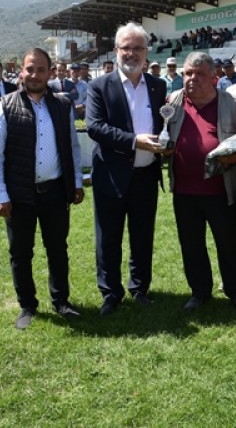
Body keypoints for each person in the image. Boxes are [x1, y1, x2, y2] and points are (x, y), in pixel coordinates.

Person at [0, 47, 84, 330]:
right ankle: (27, 305)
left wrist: (75, 181)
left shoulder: (63, 106)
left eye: (41, 69)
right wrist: (0, 194)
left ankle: (61, 301)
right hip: (19, 194)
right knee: (21, 252)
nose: (35, 75)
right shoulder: (3, 107)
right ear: (20, 71)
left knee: (57, 248)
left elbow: (72, 148)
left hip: (54, 192)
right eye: (30, 69)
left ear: (50, 72)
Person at [86, 23, 167, 316]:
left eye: (137, 48)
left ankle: (139, 288)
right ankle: (110, 292)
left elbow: (164, 125)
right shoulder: (99, 86)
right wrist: (135, 142)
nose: (131, 53)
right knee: (108, 237)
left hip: (146, 176)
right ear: (116, 50)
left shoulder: (158, 86)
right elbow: (95, 127)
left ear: (146, 52)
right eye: (126, 48)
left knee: (142, 235)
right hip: (111, 175)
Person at [165, 51, 236, 313]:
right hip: (184, 191)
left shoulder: (230, 103)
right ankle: (200, 291)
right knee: (191, 245)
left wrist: (232, 158)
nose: (192, 79)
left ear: (214, 77)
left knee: (230, 244)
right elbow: (164, 135)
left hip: (221, 191)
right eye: (188, 73)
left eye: (199, 73)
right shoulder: (173, 101)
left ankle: (235, 290)